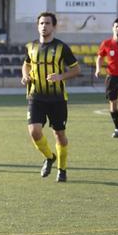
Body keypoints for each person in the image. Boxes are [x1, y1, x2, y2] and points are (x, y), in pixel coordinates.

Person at [22, 12, 81, 183]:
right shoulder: (30, 46)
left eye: (47, 23)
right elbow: (25, 65)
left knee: (59, 135)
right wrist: (25, 76)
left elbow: (76, 70)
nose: (44, 26)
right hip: (36, 96)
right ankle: (49, 157)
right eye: (41, 23)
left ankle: (62, 169)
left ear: (53, 26)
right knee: (34, 131)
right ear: (37, 26)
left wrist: (60, 77)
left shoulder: (62, 48)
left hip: (57, 99)